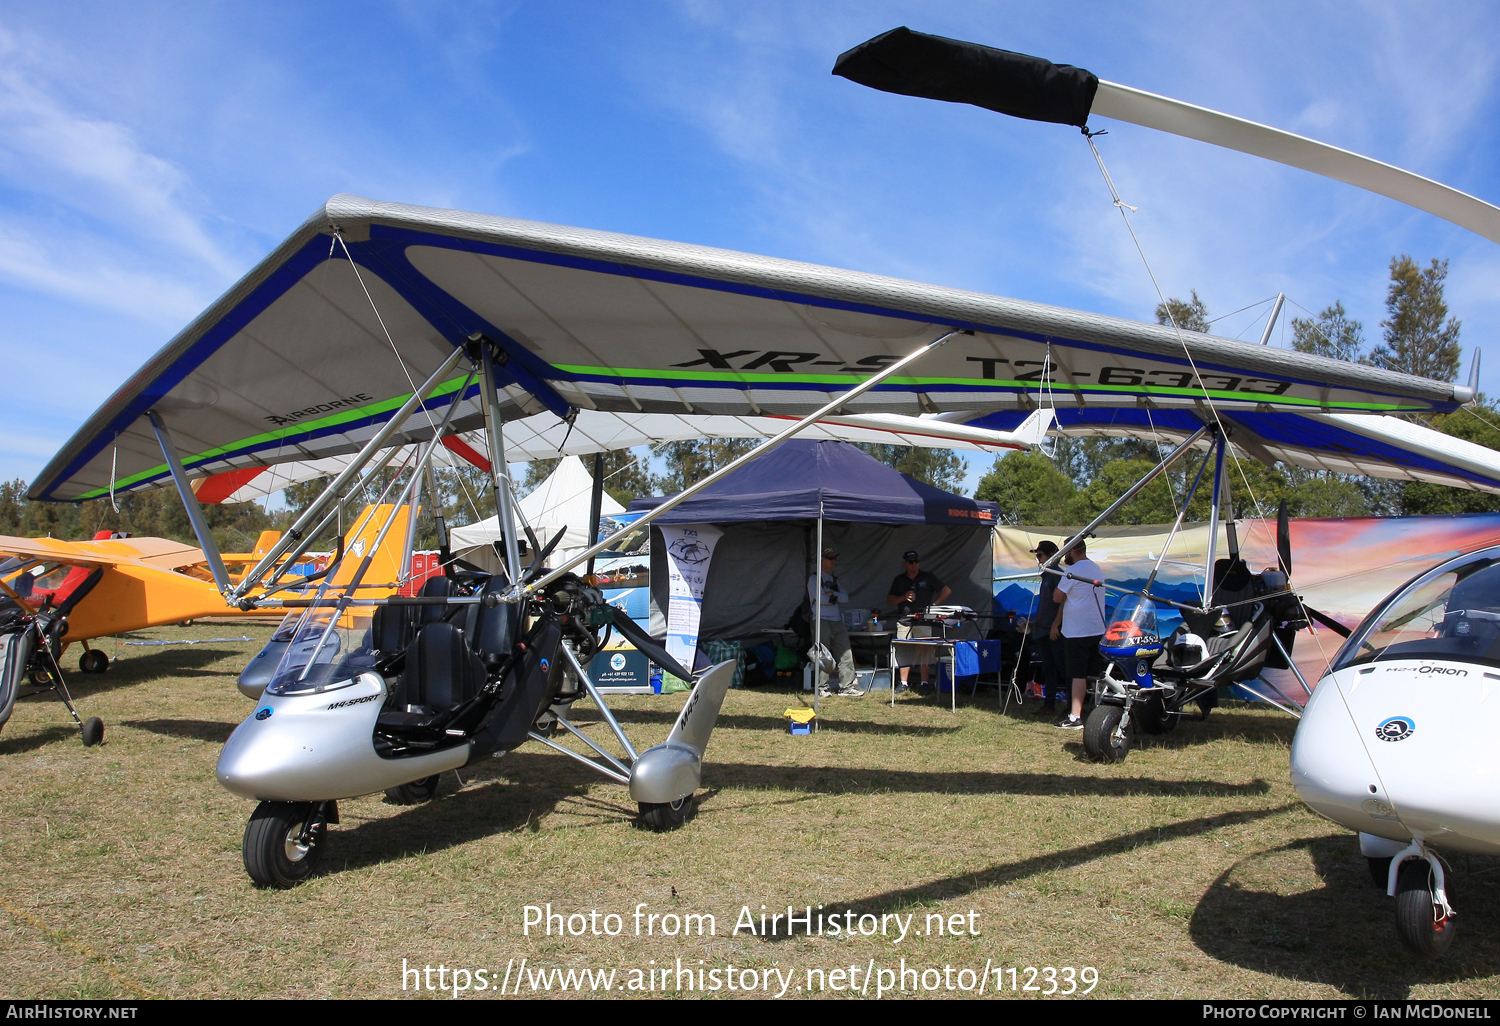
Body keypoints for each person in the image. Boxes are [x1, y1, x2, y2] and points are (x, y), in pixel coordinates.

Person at [1050, 539, 1108, 729]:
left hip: (1078, 631)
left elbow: (1057, 597)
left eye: (1066, 550)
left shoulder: (1072, 571)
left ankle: (1075, 716)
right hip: (1096, 629)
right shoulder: (1095, 568)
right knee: (1095, 674)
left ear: (1073, 550)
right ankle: (1105, 710)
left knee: (1078, 674)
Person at [886, 550, 951, 692]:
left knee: (925, 652)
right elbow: (889, 600)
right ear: (904, 564)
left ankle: (924, 683)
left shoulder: (928, 577)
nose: (914, 564)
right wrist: (903, 597)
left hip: (923, 621)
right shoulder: (899, 580)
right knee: (903, 651)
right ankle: (903, 683)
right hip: (905, 620)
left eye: (916, 561)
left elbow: (946, 590)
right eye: (910, 562)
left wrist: (933, 606)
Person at [808, 547, 858, 697]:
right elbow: (820, 599)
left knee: (845, 654)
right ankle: (822, 688)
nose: (833, 561)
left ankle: (846, 687)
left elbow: (845, 598)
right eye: (830, 558)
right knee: (823, 655)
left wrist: (833, 594)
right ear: (822, 560)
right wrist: (832, 598)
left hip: (837, 620)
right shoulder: (814, 579)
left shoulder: (834, 579)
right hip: (821, 619)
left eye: (834, 558)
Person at [1030, 540, 1067, 716]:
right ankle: (1049, 704)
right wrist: (1034, 622)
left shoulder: (1057, 575)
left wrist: (1055, 626)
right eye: (1037, 556)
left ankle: (1070, 707)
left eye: (1041, 555)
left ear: (1052, 555)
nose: (1038, 559)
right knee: (1049, 669)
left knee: (1062, 668)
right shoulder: (1047, 576)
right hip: (1043, 629)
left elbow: (1062, 603)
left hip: (1053, 631)